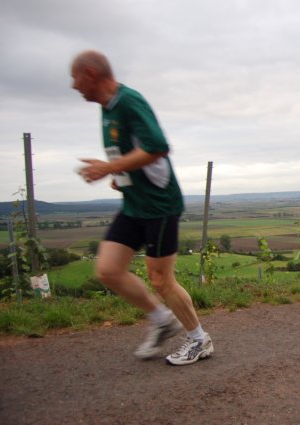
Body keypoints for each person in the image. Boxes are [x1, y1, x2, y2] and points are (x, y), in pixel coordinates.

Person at [70, 50, 213, 365]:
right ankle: (162, 321)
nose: (72, 85)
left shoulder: (129, 101)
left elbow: (158, 146)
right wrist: (121, 176)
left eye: (75, 77)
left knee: (161, 280)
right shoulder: (107, 109)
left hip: (159, 205)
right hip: (134, 204)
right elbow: (131, 153)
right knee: (108, 270)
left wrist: (109, 168)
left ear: (90, 73)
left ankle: (199, 340)